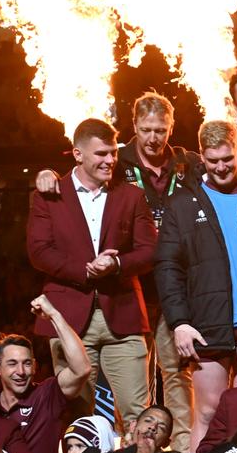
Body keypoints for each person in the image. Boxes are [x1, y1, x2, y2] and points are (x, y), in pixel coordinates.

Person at [36, 92, 201, 451]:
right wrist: (47, 174)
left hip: (171, 286)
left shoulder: (189, 164)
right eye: (146, 130)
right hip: (129, 290)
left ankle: (183, 449)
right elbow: (75, 173)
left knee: (176, 372)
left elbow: (229, 167)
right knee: (93, 391)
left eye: (161, 129)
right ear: (134, 130)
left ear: (171, 128)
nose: (154, 137)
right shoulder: (117, 162)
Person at [155, 119, 237, 446]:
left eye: (228, 158)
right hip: (207, 321)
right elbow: (168, 267)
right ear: (201, 158)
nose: (222, 167)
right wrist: (179, 322)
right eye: (213, 161)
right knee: (209, 412)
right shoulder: (182, 204)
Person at [26, 117, 158, 428]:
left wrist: (117, 264)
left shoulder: (131, 196)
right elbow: (39, 252)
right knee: (77, 418)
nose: (110, 160)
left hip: (122, 316)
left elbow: (150, 250)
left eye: (112, 152)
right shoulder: (49, 194)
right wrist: (85, 271)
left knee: (140, 416)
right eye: (101, 154)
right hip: (69, 318)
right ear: (77, 154)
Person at [0, 297, 92, 453]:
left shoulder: (46, 395)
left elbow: (81, 369)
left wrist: (54, 315)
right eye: (12, 363)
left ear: (35, 366)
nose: (21, 371)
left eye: (27, 363)